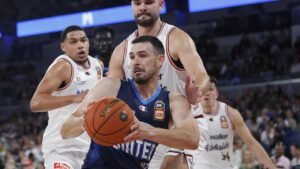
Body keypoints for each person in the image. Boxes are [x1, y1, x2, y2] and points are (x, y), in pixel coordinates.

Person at [60, 36, 200, 169]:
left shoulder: (173, 101)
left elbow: (192, 139)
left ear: (160, 60)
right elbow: (65, 131)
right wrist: (89, 120)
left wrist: (147, 132)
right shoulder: (110, 86)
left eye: (142, 55)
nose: (135, 62)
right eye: (132, 57)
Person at [108, 0, 210, 168]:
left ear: (161, 4)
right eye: (137, 3)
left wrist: (197, 92)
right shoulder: (121, 51)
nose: (142, 7)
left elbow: (202, 77)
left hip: (182, 123)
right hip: (145, 129)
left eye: (148, 2)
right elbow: (113, 95)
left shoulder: (176, 38)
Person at [30, 25, 104, 169]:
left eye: (83, 40)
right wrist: (74, 98)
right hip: (61, 149)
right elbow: (36, 102)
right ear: (63, 46)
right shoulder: (62, 66)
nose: (80, 45)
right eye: (73, 42)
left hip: (89, 148)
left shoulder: (98, 65)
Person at [196, 77, 276, 169]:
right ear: (198, 94)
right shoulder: (192, 115)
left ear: (216, 94)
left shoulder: (231, 114)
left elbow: (251, 143)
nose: (207, 93)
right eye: (204, 90)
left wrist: (272, 167)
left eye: (211, 89)